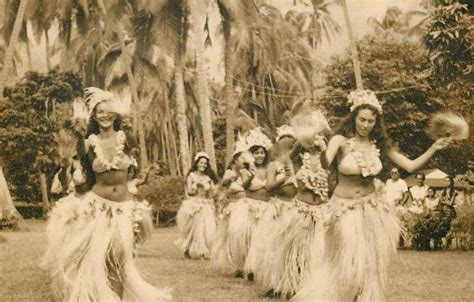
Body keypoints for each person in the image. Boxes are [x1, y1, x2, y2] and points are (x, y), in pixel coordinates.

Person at [294, 89, 452, 301]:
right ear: (354, 118)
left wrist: (434, 147)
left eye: (370, 121)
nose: (365, 125)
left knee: (369, 264)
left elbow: (411, 165)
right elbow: (325, 163)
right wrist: (322, 148)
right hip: (344, 210)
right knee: (347, 261)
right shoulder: (339, 141)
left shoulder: (379, 146)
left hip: (372, 210)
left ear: (376, 122)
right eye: (361, 119)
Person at [42, 87, 171, 301]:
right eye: (100, 111)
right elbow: (85, 180)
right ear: (94, 116)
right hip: (97, 208)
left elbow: (131, 173)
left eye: (108, 111)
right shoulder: (86, 144)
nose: (105, 115)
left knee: (120, 259)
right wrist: (76, 181)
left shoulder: (127, 139)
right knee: (96, 260)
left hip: (123, 208)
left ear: (116, 114)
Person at [257, 112, 331, 299]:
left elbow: (332, 175)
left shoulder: (326, 161)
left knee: (320, 252)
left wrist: (324, 143)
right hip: (302, 215)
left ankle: (316, 287)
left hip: (322, 213)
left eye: (320, 139)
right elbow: (295, 150)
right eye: (313, 140)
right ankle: (292, 284)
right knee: (300, 252)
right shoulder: (297, 162)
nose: (316, 142)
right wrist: (308, 133)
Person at [175, 152, 218, 259]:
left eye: (205, 164)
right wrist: (197, 186)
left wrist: (211, 190)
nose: (203, 165)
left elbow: (213, 191)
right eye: (201, 163)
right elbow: (189, 192)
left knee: (206, 229)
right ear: (196, 163)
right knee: (193, 228)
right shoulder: (191, 176)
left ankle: (204, 252)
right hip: (194, 203)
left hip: (206, 204)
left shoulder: (208, 177)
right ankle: (187, 249)